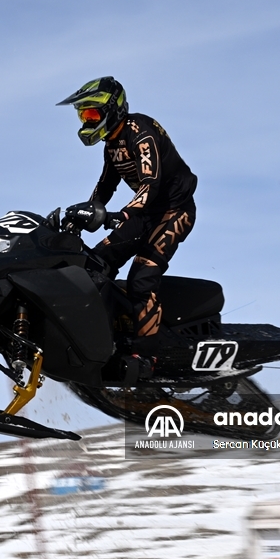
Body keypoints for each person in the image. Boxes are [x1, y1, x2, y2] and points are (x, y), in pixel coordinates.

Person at [57, 77, 198, 355]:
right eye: (83, 115)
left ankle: (147, 355)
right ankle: (102, 334)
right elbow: (106, 185)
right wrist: (85, 214)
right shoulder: (111, 144)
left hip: (174, 210)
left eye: (92, 114)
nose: (86, 121)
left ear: (113, 109)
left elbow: (150, 184)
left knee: (142, 278)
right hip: (145, 213)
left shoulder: (140, 133)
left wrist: (119, 215)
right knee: (95, 264)